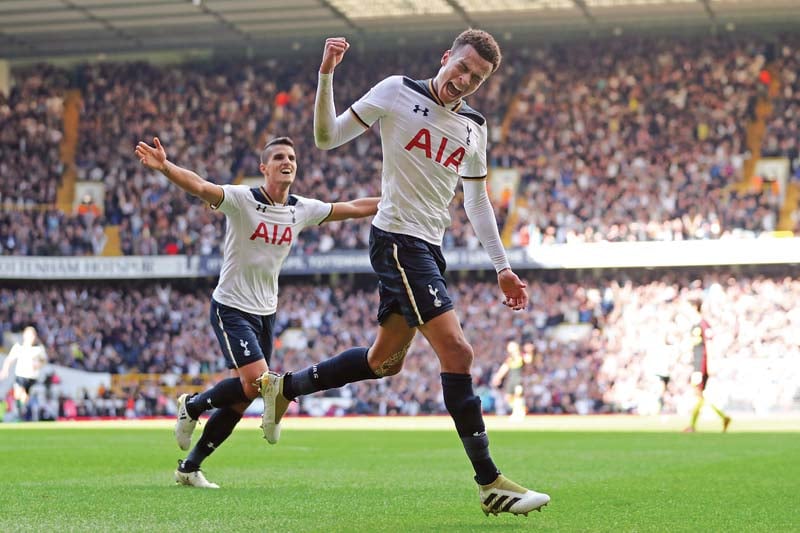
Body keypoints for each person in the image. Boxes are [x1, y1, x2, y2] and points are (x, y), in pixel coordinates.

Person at [257, 29, 550, 516]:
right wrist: (326, 74)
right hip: (397, 239)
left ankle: (284, 387)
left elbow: (475, 200)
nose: (465, 81)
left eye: (476, 78)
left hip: (431, 248)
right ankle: (490, 482)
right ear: (446, 57)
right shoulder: (397, 91)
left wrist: (503, 267)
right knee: (458, 351)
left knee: (383, 361)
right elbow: (326, 137)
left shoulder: (474, 129)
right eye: (462, 68)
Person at [134, 135, 379, 488]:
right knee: (259, 384)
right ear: (264, 168)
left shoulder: (300, 208)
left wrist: (393, 201)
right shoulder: (242, 199)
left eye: (292, 157)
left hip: (266, 313)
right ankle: (192, 406)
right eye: (279, 157)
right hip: (231, 305)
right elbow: (200, 186)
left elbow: (352, 207)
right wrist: (165, 167)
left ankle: (189, 467)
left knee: (245, 395)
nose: (287, 162)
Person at [684, 299, 731, 433]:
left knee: (698, 394)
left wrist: (710, 363)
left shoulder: (703, 325)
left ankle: (692, 426)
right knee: (700, 395)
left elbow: (709, 345)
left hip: (702, 364)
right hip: (697, 363)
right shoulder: (695, 325)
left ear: (694, 307)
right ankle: (723, 417)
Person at [0, 326, 48, 421]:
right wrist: (5, 370)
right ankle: (21, 412)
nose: (32, 338)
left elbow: (44, 360)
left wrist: (38, 364)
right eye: (30, 335)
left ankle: (24, 412)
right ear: (25, 336)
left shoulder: (38, 349)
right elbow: (9, 359)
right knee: (19, 395)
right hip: (21, 376)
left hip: (32, 378)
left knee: (25, 398)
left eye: (33, 336)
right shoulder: (18, 348)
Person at [491, 340, 532, 419]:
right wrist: (498, 377)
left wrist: (529, 352)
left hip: (518, 379)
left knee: (518, 395)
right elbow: (504, 368)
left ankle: (517, 412)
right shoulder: (510, 359)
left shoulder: (521, 356)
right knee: (508, 397)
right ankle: (520, 409)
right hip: (511, 380)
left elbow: (528, 360)